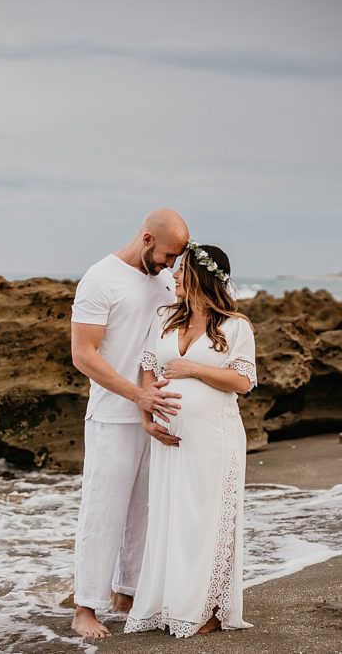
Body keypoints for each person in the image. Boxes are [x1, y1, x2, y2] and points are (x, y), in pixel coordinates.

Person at [124, 241, 257, 638]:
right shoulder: (164, 316)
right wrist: (146, 417)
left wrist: (195, 369)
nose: (174, 275)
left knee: (208, 518)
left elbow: (244, 381)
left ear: (201, 276)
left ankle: (209, 608)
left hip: (215, 437)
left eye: (181, 270)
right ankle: (171, 603)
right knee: (171, 517)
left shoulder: (235, 326)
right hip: (170, 437)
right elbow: (148, 369)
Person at [69, 208, 190, 639]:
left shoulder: (163, 281)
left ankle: (126, 593)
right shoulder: (99, 279)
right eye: (168, 255)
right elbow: (83, 355)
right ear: (146, 239)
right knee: (103, 511)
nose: (171, 266)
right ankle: (85, 606)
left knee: (144, 510)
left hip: (154, 414)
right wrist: (136, 395)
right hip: (111, 415)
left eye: (178, 259)